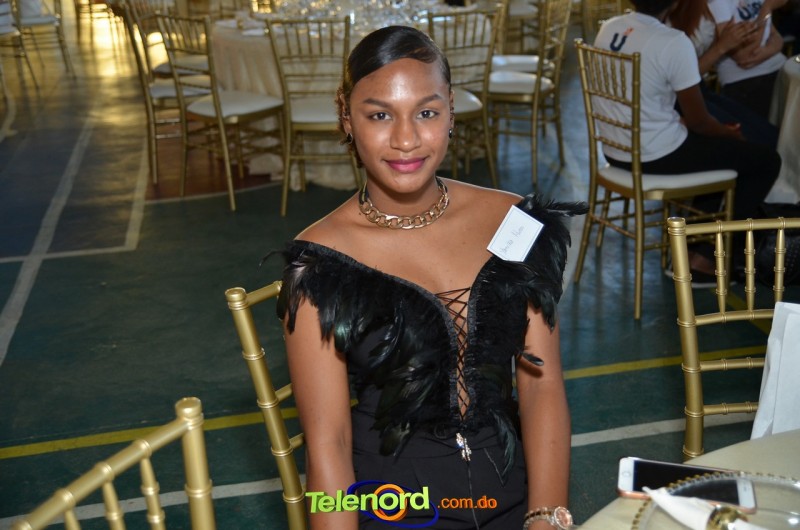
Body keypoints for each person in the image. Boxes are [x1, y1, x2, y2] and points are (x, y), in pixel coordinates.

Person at [276, 25, 584, 530]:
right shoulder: (321, 265)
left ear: (451, 112)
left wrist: (547, 516)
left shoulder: (515, 223)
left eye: (426, 112)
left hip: (519, 494)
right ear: (346, 117)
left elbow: (542, 385)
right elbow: (328, 442)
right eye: (380, 115)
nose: (406, 140)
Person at [594, 0, 781, 283]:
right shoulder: (672, 41)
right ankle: (706, 259)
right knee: (765, 161)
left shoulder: (610, 27)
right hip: (656, 154)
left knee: (718, 154)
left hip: (616, 150)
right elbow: (699, 122)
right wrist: (730, 134)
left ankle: (693, 249)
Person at [668, 0, 779, 148]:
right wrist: (722, 47)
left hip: (700, 88)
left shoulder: (707, 5)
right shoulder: (672, 14)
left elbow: (773, 38)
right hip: (677, 98)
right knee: (757, 142)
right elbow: (678, 79)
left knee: (772, 135)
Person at [707, 0, 788, 119]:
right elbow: (744, 55)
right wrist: (767, 8)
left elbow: (778, 38)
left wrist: (767, 51)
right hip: (747, 82)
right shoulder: (717, 3)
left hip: (779, 68)